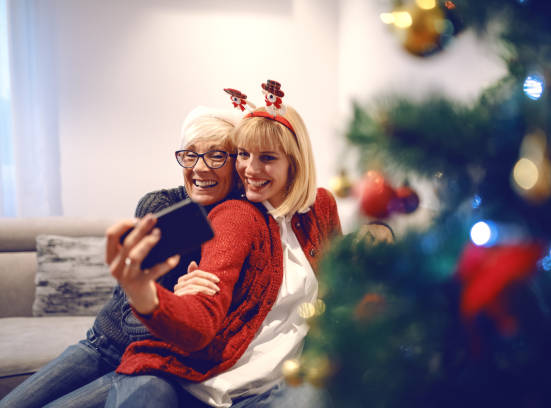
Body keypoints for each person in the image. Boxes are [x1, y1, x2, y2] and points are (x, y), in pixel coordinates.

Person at [103, 84, 342, 408]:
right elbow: (204, 312)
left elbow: (339, 279)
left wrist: (379, 231)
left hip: (285, 380)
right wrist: (146, 295)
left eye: (267, 158)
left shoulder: (320, 206)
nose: (249, 169)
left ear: (294, 163)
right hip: (216, 381)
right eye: (243, 155)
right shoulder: (236, 216)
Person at [0, 106, 240, 408]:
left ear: (237, 163)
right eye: (190, 154)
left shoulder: (239, 226)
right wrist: (173, 305)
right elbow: (130, 319)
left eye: (216, 155)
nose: (200, 168)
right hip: (105, 345)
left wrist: (176, 309)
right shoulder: (162, 207)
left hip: (154, 367)